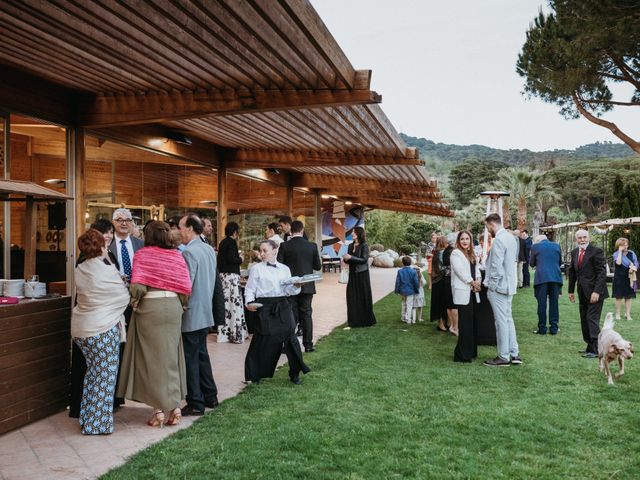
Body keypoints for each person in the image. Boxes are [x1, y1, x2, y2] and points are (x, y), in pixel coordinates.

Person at [117, 221, 192, 428]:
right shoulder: (177, 255)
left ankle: (158, 411)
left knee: (152, 359)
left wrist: (134, 301)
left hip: (151, 307)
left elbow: (138, 287)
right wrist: (181, 305)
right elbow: (185, 287)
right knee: (171, 357)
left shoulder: (143, 255)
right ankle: (175, 406)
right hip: (174, 306)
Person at [71, 229, 129, 434]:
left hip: (81, 329)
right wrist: (109, 262)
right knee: (105, 377)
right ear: (101, 247)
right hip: (102, 329)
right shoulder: (105, 270)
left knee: (93, 373)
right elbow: (123, 297)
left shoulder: (80, 269)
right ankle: (97, 424)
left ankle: (87, 418)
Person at [69, 218, 119, 419]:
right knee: (100, 373)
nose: (109, 236)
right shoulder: (93, 263)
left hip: (87, 321)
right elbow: (118, 293)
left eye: (110, 232)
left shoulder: (88, 263)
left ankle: (87, 412)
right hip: (99, 323)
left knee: (93, 372)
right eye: (104, 232)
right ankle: (95, 418)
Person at [244, 240, 311, 384]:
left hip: (283, 306)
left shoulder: (285, 269)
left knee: (290, 338)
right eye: (260, 251)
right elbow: (250, 289)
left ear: (275, 250)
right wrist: (249, 303)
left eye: (264, 251)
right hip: (265, 306)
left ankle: (295, 373)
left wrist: (297, 285)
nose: (261, 254)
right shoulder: (256, 269)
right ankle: (256, 374)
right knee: (262, 340)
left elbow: (288, 290)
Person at [179, 214, 219, 415]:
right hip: (205, 310)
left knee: (191, 359)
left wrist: (180, 307)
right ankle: (211, 395)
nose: (179, 232)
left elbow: (186, 286)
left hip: (192, 313)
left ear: (189, 229)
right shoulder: (208, 250)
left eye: (180, 228)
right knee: (201, 355)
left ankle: (195, 402)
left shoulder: (189, 252)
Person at [107, 208, 144, 408]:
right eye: (119, 220)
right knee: (117, 346)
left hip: (137, 301)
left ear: (131, 223)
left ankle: (132, 389)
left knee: (135, 347)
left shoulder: (140, 244)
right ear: (113, 223)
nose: (123, 223)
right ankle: (116, 394)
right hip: (114, 303)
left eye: (127, 220)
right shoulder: (107, 245)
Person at [483, 213, 522, 367]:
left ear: (492, 224)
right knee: (508, 319)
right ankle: (515, 353)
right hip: (509, 286)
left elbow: (496, 267)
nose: (488, 230)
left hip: (499, 287)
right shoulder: (512, 238)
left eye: (487, 227)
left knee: (501, 322)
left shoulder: (499, 240)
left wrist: (491, 286)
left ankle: (503, 356)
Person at [277, 220, 322, 352]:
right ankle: (308, 345)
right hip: (307, 286)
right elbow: (317, 266)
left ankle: (288, 345)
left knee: (291, 315)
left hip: (291, 285)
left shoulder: (284, 246)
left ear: (291, 231)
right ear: (302, 230)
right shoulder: (312, 246)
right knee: (306, 314)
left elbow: (280, 265)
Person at [567, 229, 609, 358]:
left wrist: (596, 291)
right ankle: (589, 346)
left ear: (588, 238)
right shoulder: (574, 252)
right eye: (579, 238)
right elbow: (573, 272)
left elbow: (602, 274)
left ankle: (596, 349)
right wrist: (570, 291)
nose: (582, 240)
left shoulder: (596, 252)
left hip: (596, 293)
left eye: (584, 237)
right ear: (576, 239)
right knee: (584, 319)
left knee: (592, 319)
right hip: (582, 292)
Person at [450, 231, 482, 362]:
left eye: (467, 239)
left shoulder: (471, 254)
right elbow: (460, 271)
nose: (465, 241)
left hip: (473, 292)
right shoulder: (455, 253)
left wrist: (478, 280)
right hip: (464, 291)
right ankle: (462, 354)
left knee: (472, 323)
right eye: (462, 239)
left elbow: (477, 269)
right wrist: (472, 282)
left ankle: (471, 351)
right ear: (458, 240)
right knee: (465, 324)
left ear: (470, 240)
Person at [217, 221, 248, 344]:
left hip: (223, 276)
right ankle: (236, 333)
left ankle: (225, 332)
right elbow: (231, 259)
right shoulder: (231, 242)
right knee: (234, 304)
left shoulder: (223, 242)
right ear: (235, 232)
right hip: (231, 277)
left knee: (226, 304)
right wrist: (240, 259)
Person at [343, 226, 377, 328]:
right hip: (352, 274)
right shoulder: (350, 245)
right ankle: (353, 321)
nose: (352, 234)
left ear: (358, 234)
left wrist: (351, 257)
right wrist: (345, 259)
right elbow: (349, 260)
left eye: (353, 232)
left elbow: (364, 260)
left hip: (362, 275)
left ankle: (365, 320)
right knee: (351, 297)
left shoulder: (364, 246)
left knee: (363, 297)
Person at [529, 234, 563, 335]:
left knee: (542, 303)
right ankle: (554, 328)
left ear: (538, 241)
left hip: (542, 277)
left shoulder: (535, 247)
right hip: (555, 277)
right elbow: (560, 262)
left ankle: (542, 328)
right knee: (554, 303)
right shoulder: (557, 246)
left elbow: (531, 264)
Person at [612, 237, 638, 321]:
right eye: (623, 245)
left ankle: (628, 314)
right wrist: (620, 251)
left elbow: (636, 264)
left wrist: (633, 268)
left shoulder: (632, 253)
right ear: (619, 245)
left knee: (628, 297)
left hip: (629, 277)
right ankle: (617, 314)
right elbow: (618, 263)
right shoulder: (616, 254)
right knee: (618, 297)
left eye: (626, 244)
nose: (625, 246)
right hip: (619, 277)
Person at [430, 236, 449, 331]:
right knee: (441, 302)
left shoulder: (436, 252)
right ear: (443, 243)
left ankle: (443, 323)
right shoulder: (441, 252)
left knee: (439, 302)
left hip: (437, 281)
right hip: (440, 281)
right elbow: (441, 268)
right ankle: (441, 324)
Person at [395, 256, 419, 324]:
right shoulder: (413, 271)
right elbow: (416, 282)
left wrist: (397, 290)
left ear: (403, 263)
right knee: (409, 305)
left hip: (402, 290)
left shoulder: (400, 271)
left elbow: (398, 282)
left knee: (403, 304)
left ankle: (403, 317)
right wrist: (416, 290)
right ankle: (408, 319)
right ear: (410, 263)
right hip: (411, 291)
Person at [443, 233, 459, 335]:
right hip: (451, 279)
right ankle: (455, 327)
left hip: (446, 279)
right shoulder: (454, 252)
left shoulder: (446, 251)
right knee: (453, 305)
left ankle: (452, 325)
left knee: (449, 304)